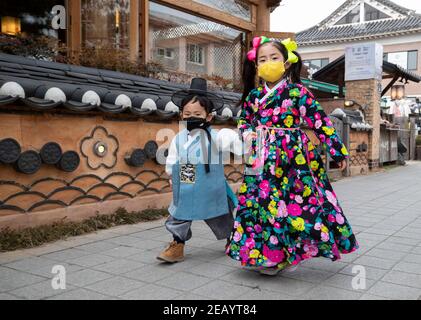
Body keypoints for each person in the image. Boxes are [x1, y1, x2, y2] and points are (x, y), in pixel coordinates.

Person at [226, 36, 359, 275]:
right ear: (257, 67)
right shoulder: (254, 96)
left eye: (274, 57)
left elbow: (320, 121)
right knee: (259, 204)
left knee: (293, 205)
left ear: (286, 63)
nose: (268, 63)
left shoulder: (298, 93)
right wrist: (247, 134)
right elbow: (244, 120)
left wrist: (336, 150)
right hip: (260, 156)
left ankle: (282, 255)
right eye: (262, 59)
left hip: (292, 158)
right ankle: (259, 252)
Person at [157, 78, 240, 263]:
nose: (191, 117)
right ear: (181, 115)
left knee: (222, 214)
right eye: (187, 113)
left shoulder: (216, 136)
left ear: (208, 117)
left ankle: (232, 240)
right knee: (182, 210)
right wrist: (171, 173)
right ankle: (177, 244)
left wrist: (234, 137)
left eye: (197, 113)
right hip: (188, 176)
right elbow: (173, 159)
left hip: (212, 183)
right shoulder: (178, 138)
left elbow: (232, 144)